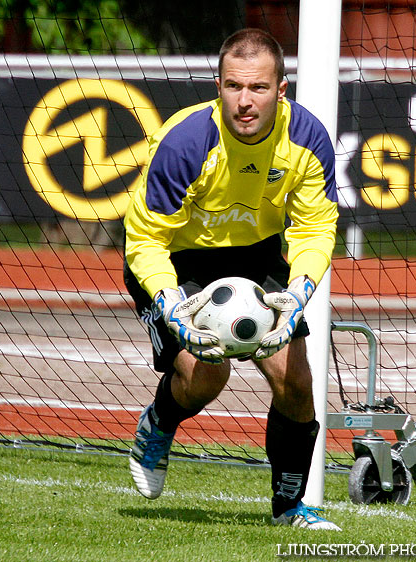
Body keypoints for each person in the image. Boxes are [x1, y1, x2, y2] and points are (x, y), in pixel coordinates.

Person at [122, 28, 340, 530]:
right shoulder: (185, 142)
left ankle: (289, 510)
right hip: (177, 257)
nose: (245, 102)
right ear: (217, 84)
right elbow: (146, 238)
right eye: (234, 87)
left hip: (254, 250)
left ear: (281, 90)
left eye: (259, 88)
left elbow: (314, 227)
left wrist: (300, 292)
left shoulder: (307, 140)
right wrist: (172, 303)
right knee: (207, 375)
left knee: (296, 380)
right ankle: (160, 422)